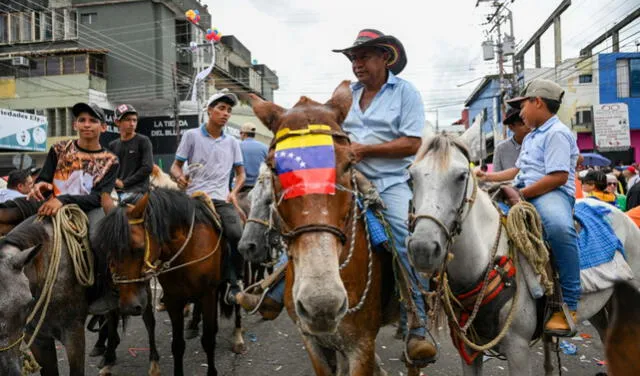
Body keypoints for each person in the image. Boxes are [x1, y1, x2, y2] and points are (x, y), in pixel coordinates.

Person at [236, 29, 437, 362]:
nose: (357, 64)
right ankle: (273, 288)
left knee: (403, 239)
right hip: (345, 178)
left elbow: (412, 143)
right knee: (311, 224)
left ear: (385, 57)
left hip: (390, 181)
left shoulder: (405, 93)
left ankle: (416, 322)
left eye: (364, 56)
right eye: (353, 58)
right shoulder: (349, 95)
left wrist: (365, 149)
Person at [476, 79, 581, 336]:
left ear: (537, 102)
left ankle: (569, 304)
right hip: (524, 189)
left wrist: (519, 194)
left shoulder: (557, 133)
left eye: (522, 106)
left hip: (550, 194)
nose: (520, 113)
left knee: (559, 229)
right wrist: (488, 178)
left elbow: (557, 177)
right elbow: (519, 170)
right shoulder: (533, 135)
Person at [0, 102, 119, 314]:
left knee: (98, 238)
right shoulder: (58, 149)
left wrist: (63, 200)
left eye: (93, 121)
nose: (87, 125)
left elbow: (98, 198)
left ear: (103, 128)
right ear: (75, 125)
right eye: (82, 120)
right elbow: (45, 179)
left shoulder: (111, 161)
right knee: (22, 231)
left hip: (88, 210)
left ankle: (105, 291)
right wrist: (40, 186)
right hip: (53, 207)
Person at [170, 89, 246, 304]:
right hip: (193, 198)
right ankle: (169, 282)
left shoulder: (232, 142)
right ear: (209, 111)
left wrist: (233, 192)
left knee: (237, 235)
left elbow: (241, 174)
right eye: (221, 109)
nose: (225, 113)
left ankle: (234, 280)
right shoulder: (191, 135)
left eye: (229, 110)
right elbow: (176, 166)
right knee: (166, 232)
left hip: (221, 200)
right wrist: (179, 177)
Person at [108, 104, 153, 202]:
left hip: (138, 192)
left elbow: (147, 167)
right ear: (117, 122)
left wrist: (124, 183)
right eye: (128, 120)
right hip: (117, 192)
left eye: (134, 120)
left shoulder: (143, 141)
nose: (132, 123)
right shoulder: (113, 145)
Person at [493, 106, 531, 172]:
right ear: (511, 127)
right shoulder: (500, 149)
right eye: (522, 124)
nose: (527, 127)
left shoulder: (538, 143)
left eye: (529, 122)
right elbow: (496, 176)